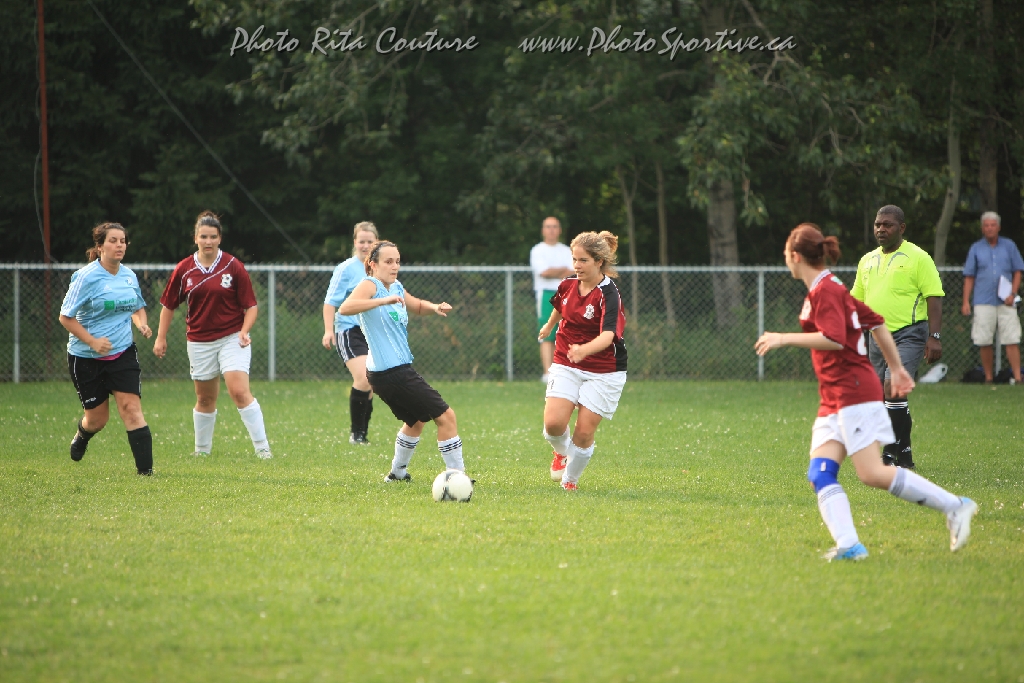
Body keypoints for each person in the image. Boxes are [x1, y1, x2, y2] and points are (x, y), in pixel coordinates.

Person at [755, 223, 977, 560]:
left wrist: (783, 339)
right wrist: (897, 368)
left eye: (786, 253)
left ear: (795, 256)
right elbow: (877, 322)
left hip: (853, 392)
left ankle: (955, 506)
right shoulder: (829, 287)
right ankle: (849, 545)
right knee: (820, 473)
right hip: (834, 397)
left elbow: (834, 339)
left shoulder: (827, 290)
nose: (786, 259)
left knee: (871, 472)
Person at [337, 240, 467, 482]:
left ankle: (397, 474)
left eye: (397, 261)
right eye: (388, 261)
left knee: (416, 421)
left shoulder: (396, 286)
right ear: (373, 264)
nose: (394, 266)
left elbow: (416, 305)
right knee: (446, 416)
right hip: (392, 372)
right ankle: (458, 478)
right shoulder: (370, 284)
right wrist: (381, 301)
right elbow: (346, 308)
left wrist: (434, 307)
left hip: (388, 372)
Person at [153, 211, 271, 459]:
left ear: (220, 238)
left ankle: (263, 449)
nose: (208, 241)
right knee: (205, 398)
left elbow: (251, 306)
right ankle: (202, 452)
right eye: (203, 236)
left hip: (231, 337)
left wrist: (244, 331)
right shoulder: (184, 269)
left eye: (213, 237)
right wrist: (161, 337)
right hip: (199, 341)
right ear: (195, 238)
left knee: (239, 391)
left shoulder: (232, 265)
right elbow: (169, 306)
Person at [850, 205, 944, 470]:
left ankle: (889, 452)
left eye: (887, 225)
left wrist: (934, 336)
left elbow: (934, 297)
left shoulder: (918, 257)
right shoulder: (867, 260)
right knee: (884, 398)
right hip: (876, 336)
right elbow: (856, 302)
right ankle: (905, 453)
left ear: (901, 228)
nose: (881, 229)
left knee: (893, 389)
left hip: (909, 334)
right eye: (878, 224)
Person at [59, 222, 154, 475]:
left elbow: (137, 307)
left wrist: (142, 324)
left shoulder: (129, 276)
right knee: (97, 420)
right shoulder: (86, 277)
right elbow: (65, 317)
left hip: (122, 352)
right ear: (100, 246)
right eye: (113, 240)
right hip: (86, 357)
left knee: (131, 410)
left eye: (123, 241)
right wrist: (92, 341)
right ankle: (83, 434)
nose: (119, 245)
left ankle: (146, 474)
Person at [538, 231, 627, 490]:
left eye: (583, 260)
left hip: (604, 370)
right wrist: (549, 326)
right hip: (567, 360)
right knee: (553, 424)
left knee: (584, 432)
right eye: (574, 259)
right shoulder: (568, 284)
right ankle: (561, 453)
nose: (576, 266)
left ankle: (570, 482)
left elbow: (608, 336)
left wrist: (584, 350)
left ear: (599, 262)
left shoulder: (608, 294)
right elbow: (560, 306)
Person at [322, 221, 380, 444]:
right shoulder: (346, 269)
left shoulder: (379, 268)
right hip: (349, 329)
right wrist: (329, 330)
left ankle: (362, 435)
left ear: (376, 243)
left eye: (370, 241)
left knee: (372, 381)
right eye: (361, 241)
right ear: (354, 242)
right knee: (363, 377)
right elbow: (330, 302)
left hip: (372, 331)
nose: (365, 246)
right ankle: (356, 434)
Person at [961, 211, 1024, 384]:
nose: (989, 228)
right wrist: (965, 301)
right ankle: (988, 378)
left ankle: (1018, 377)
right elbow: (969, 276)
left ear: (999, 227)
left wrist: (1012, 293)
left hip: (1006, 301)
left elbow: (1018, 271)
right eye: (986, 225)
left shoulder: (1009, 246)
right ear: (982, 228)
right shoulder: (976, 248)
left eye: (993, 225)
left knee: (1012, 338)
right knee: (984, 340)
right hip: (983, 300)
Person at [530, 217, 574, 383]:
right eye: (548, 227)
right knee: (547, 333)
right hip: (546, 295)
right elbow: (544, 272)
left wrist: (558, 272)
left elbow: (574, 271)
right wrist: (563, 271)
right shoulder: (537, 250)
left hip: (567, 293)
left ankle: (564, 371)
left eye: (555, 226)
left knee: (567, 333)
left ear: (560, 230)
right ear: (543, 230)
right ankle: (548, 373)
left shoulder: (567, 250)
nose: (551, 230)